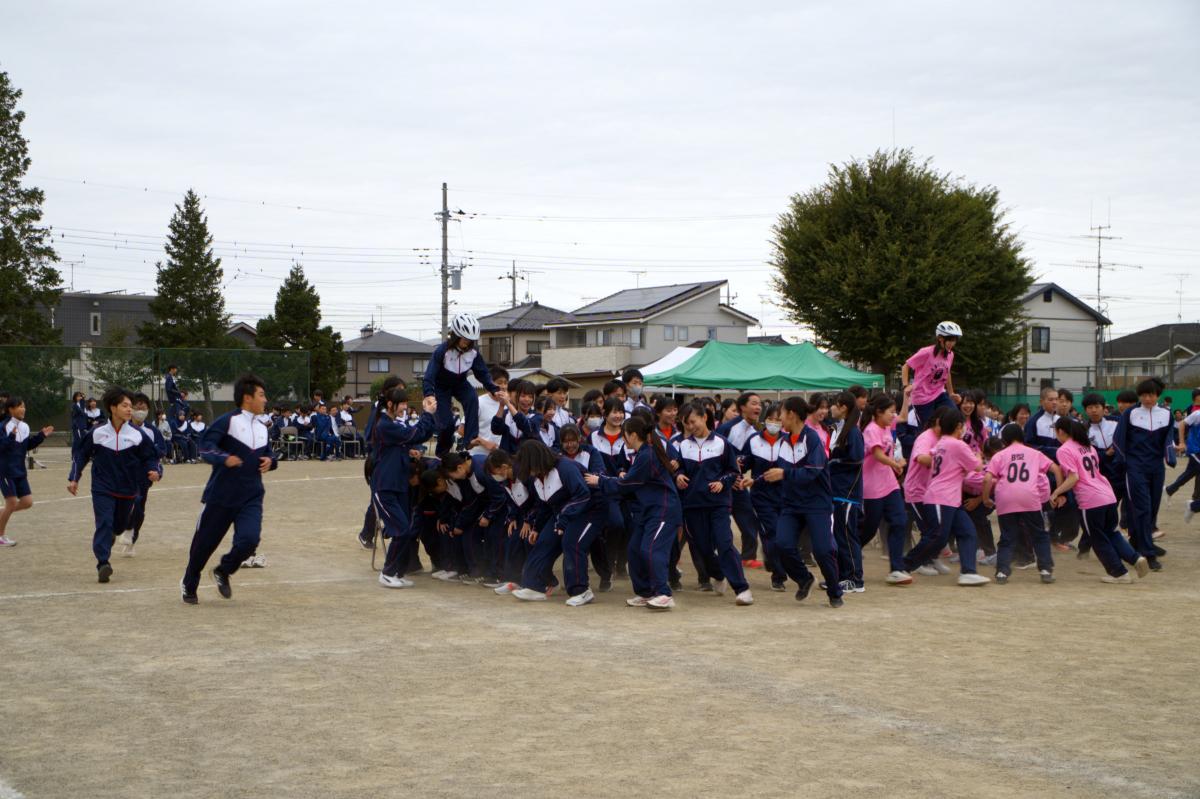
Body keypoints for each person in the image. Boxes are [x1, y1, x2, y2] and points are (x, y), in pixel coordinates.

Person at [180, 375, 277, 604]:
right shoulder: (227, 421)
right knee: (203, 546)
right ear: (247, 397)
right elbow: (205, 447)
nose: (265, 400)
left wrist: (271, 461)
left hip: (252, 495)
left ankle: (223, 570)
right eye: (261, 395)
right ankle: (189, 581)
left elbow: (270, 454)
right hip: (221, 495)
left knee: (249, 540)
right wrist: (224, 458)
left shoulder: (263, 427)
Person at [586, 416, 681, 610]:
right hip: (648, 511)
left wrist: (600, 481)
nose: (624, 439)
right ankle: (645, 592)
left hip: (663, 510)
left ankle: (663, 593)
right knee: (634, 549)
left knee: (651, 549)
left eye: (625, 435)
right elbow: (631, 482)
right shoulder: (642, 454)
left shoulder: (647, 454)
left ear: (633, 435)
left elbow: (627, 484)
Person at [757, 396, 844, 607]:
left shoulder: (812, 439)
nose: (778, 421)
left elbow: (812, 472)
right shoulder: (784, 441)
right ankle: (804, 579)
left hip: (817, 504)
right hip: (792, 504)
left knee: (823, 550)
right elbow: (777, 471)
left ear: (792, 415)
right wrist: (757, 479)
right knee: (782, 545)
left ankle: (835, 591)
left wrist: (784, 475)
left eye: (781, 416)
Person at [68, 387, 162, 583]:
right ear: (113, 408)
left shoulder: (137, 435)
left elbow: (151, 458)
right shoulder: (97, 433)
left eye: (131, 406)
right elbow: (81, 455)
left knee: (118, 527)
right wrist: (74, 477)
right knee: (104, 522)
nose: (130, 410)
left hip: (128, 490)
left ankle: (112, 535)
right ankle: (103, 563)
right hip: (102, 488)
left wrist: (156, 471)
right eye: (125, 406)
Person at [675, 402, 753, 606]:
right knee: (702, 548)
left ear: (704, 418)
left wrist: (722, 482)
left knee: (724, 542)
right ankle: (718, 574)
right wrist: (679, 475)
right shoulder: (683, 445)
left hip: (718, 504)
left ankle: (742, 588)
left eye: (693, 421)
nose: (690, 426)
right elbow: (679, 469)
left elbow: (733, 471)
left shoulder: (722, 443)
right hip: (692, 505)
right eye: (686, 423)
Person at [902, 409, 990, 586]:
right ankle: (903, 566)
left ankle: (968, 572)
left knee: (967, 532)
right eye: (963, 426)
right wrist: (978, 456)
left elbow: (954, 466)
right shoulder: (957, 444)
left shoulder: (942, 442)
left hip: (949, 498)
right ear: (958, 426)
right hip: (941, 498)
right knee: (937, 537)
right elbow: (978, 467)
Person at [508, 440, 595, 603]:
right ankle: (534, 586)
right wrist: (536, 528)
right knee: (543, 542)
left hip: (589, 510)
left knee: (571, 542)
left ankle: (581, 590)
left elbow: (583, 495)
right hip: (561, 514)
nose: (529, 472)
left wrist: (563, 521)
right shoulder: (537, 478)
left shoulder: (565, 468)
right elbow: (544, 505)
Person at [373, 389, 438, 589]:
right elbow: (416, 433)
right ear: (391, 404)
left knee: (407, 530)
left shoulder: (391, 425)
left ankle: (398, 572)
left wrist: (407, 452)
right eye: (401, 404)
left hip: (398, 486)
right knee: (401, 530)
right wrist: (427, 413)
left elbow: (420, 435)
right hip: (385, 487)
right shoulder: (384, 425)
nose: (404, 408)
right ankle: (388, 572)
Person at [981, 424, 1058, 584]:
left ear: (1005, 440)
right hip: (1029, 497)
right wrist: (1059, 492)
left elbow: (987, 478)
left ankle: (1002, 572)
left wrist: (986, 499)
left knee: (1007, 536)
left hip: (1005, 498)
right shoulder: (1035, 453)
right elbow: (1055, 469)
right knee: (1039, 534)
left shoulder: (1000, 455)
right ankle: (1045, 570)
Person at [1114, 378, 1176, 571]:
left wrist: (1170, 456)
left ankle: (1136, 542)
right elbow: (1119, 439)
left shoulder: (1166, 414)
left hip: (1156, 467)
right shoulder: (1131, 414)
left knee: (1153, 508)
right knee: (1142, 507)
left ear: (1157, 395)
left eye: (1151, 395)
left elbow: (1168, 439)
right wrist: (1122, 462)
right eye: (1143, 395)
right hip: (1135, 466)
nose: (1147, 398)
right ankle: (1147, 553)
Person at [423, 312, 502, 456]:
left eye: (471, 340)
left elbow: (482, 373)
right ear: (456, 335)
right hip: (442, 386)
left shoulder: (473, 353)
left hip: (460, 383)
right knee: (446, 424)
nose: (467, 343)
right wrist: (428, 393)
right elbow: (429, 375)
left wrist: (493, 388)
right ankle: (442, 453)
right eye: (465, 339)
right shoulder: (442, 351)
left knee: (472, 398)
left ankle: (470, 439)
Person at [859, 393, 913, 587]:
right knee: (868, 529)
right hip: (872, 487)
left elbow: (905, 417)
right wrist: (896, 464)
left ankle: (896, 568)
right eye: (891, 412)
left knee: (899, 521)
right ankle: (846, 557)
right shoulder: (871, 429)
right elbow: (877, 454)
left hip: (889, 485)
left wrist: (907, 397)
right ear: (879, 412)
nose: (894, 415)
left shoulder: (888, 426)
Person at [715, 392, 764, 569]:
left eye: (759, 404)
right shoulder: (728, 428)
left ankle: (748, 556)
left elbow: (750, 459)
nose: (758, 407)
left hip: (739, 483)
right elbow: (715, 452)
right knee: (719, 521)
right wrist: (728, 476)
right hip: (722, 482)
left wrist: (739, 476)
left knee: (749, 519)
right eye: (753, 403)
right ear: (742, 407)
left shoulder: (757, 432)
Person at [119, 393, 168, 557]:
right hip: (124, 473)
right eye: (137, 407)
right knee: (123, 505)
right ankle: (123, 528)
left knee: (139, 505)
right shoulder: (121, 427)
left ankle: (132, 537)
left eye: (144, 408)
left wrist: (157, 471)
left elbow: (161, 451)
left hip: (143, 474)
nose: (140, 410)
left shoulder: (152, 431)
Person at [0, 397, 53, 547]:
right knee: (11, 503)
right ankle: (0, 536)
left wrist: (41, 436)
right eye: (19, 406)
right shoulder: (3, 426)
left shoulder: (24, 426)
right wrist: (11, 436)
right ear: (10, 409)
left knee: (27, 502)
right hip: (5, 471)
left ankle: (2, 514)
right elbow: (2, 447)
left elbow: (26, 446)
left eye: (24, 406)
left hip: (20, 471)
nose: (23, 409)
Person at [827, 391, 864, 593]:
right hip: (838, 490)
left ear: (843, 407)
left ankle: (855, 579)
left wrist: (833, 462)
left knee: (848, 536)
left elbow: (857, 458)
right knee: (840, 534)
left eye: (834, 404)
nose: (831, 408)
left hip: (847, 492)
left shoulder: (853, 432)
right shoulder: (839, 429)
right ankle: (842, 576)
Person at [902, 321, 962, 428]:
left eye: (955, 340)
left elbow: (947, 372)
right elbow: (905, 366)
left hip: (938, 393)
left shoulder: (950, 355)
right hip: (922, 397)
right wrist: (906, 385)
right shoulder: (926, 352)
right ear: (940, 338)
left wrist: (951, 393)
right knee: (929, 428)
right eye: (950, 340)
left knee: (955, 417)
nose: (952, 343)